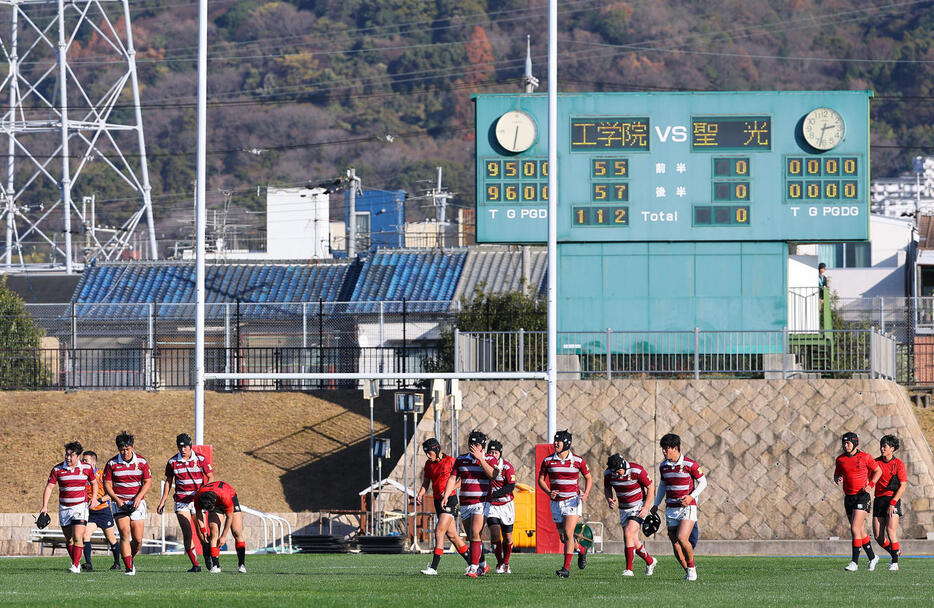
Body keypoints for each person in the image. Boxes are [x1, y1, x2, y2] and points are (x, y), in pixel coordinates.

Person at [651, 433, 706, 581]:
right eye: (662, 448)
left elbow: (703, 482)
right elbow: (663, 485)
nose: (663, 451)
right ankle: (688, 571)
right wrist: (656, 504)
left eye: (666, 448)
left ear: (675, 448)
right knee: (675, 545)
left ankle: (692, 569)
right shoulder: (663, 466)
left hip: (687, 508)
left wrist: (691, 497)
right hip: (671, 508)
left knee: (682, 538)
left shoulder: (690, 464)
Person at [538, 430, 592, 578]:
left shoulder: (578, 461)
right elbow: (541, 480)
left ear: (567, 443)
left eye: (558, 441)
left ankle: (566, 569)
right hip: (556, 503)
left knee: (568, 533)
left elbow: (588, 477)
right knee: (564, 537)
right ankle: (581, 549)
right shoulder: (548, 461)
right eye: (555, 440)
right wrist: (549, 492)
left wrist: (585, 494)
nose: (555, 443)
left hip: (572, 501)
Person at [156, 433, 214, 573]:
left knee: (202, 532)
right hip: (182, 502)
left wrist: (204, 493)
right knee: (187, 533)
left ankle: (207, 556)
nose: (183, 450)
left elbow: (210, 476)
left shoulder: (200, 459)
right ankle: (195, 565)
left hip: (198, 501)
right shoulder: (172, 462)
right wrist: (162, 500)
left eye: (185, 447)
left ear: (190, 446)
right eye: (180, 447)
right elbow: (169, 482)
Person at [415, 437, 472, 575]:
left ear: (436, 450)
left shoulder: (451, 461)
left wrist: (450, 491)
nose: (428, 456)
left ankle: (433, 568)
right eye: (426, 454)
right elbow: (426, 482)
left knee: (439, 531)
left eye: (430, 453)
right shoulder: (429, 464)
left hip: (450, 500)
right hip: (437, 501)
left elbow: (462, 479)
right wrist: (421, 493)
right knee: (453, 536)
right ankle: (474, 564)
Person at [441, 430, 493, 578]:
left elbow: (493, 475)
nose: (473, 446)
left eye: (476, 444)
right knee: (471, 535)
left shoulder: (489, 459)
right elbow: (452, 478)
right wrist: (446, 495)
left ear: (482, 446)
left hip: (481, 501)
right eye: (471, 443)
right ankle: (483, 564)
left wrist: (480, 460)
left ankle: (473, 567)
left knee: (476, 531)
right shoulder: (461, 459)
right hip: (465, 502)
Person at [39, 441, 97, 573]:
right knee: (69, 540)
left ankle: (76, 565)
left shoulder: (87, 468)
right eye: (67, 455)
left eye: (71, 455)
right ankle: (75, 560)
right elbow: (49, 487)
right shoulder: (57, 469)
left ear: (78, 456)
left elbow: (94, 483)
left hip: (80, 507)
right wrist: (44, 506)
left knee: (78, 537)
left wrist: (93, 498)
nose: (68, 458)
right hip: (64, 508)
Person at [103, 431, 152, 576]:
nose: (125, 452)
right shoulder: (112, 463)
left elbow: (147, 482)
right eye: (122, 449)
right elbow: (107, 484)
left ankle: (130, 557)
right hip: (120, 503)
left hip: (137, 503)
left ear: (132, 447)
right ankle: (129, 568)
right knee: (125, 533)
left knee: (137, 540)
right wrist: (117, 500)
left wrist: (138, 497)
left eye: (127, 449)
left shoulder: (142, 462)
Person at [833, 431, 882, 572]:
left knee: (854, 529)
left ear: (854, 443)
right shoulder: (840, 460)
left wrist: (870, 485)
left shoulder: (865, 457)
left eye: (848, 443)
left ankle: (854, 562)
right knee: (859, 530)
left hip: (862, 496)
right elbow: (837, 474)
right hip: (848, 497)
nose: (845, 445)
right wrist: (837, 479)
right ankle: (873, 557)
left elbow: (878, 471)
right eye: (844, 443)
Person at [604, 453, 656, 577]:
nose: (616, 475)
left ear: (623, 466)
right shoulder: (608, 473)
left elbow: (650, 487)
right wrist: (609, 499)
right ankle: (650, 561)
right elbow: (607, 488)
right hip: (623, 509)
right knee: (633, 540)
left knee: (628, 532)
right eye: (614, 472)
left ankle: (629, 569)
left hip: (638, 507)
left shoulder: (636, 470)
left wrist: (646, 507)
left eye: (618, 472)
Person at [80, 450, 121, 571]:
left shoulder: (102, 475)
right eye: (82, 460)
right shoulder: (82, 475)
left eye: (85, 460)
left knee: (111, 538)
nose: (83, 462)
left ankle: (117, 563)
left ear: (93, 463)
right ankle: (88, 564)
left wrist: (99, 500)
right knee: (85, 535)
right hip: (91, 513)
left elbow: (112, 494)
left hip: (103, 512)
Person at [194, 480, 247, 574]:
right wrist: (203, 530)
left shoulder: (225, 497)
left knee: (236, 531)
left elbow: (229, 517)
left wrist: (223, 536)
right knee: (214, 532)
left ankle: (241, 564)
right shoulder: (198, 497)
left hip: (229, 498)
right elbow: (198, 513)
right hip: (214, 499)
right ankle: (216, 565)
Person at [481, 439, 517, 574]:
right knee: (495, 535)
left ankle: (506, 562)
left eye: (495, 452)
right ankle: (500, 562)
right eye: (490, 452)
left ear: (500, 454)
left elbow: (511, 486)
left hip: (506, 505)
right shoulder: (485, 465)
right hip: (492, 506)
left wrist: (496, 493)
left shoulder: (507, 467)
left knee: (508, 537)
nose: (493, 455)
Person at [873, 434, 907, 571]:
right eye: (881, 445)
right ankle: (895, 552)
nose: (882, 448)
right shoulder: (875, 463)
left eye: (885, 446)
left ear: (892, 448)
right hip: (879, 500)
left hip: (892, 499)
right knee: (878, 537)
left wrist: (893, 503)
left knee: (891, 531)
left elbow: (903, 485)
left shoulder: (898, 464)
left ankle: (894, 563)